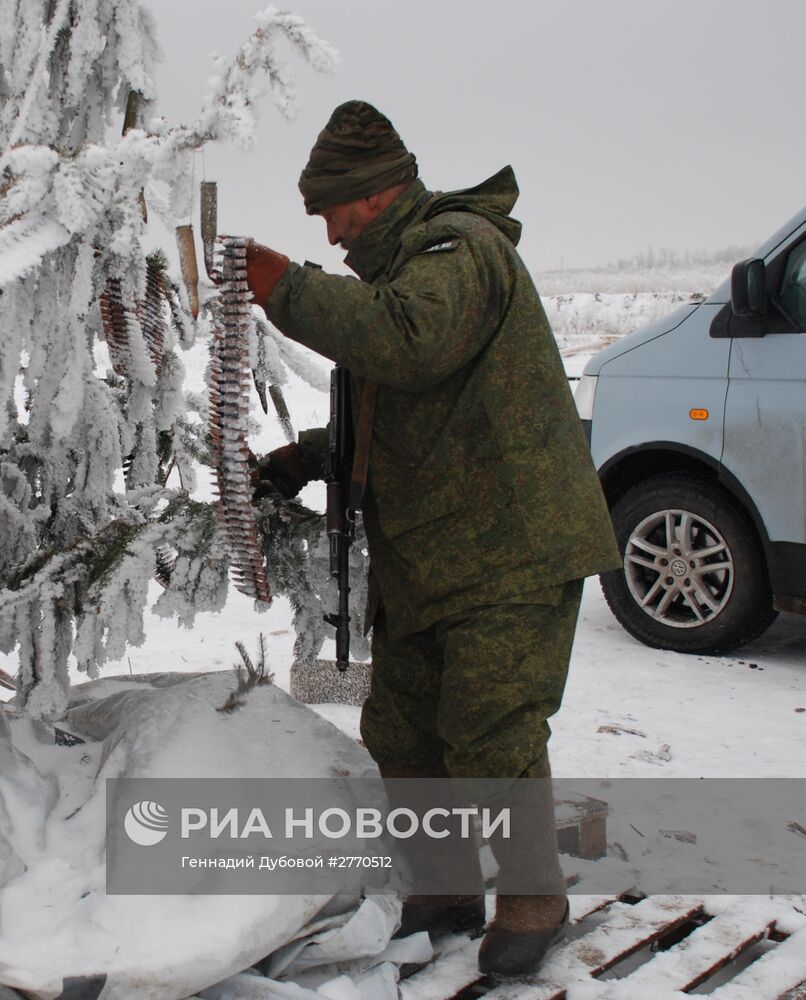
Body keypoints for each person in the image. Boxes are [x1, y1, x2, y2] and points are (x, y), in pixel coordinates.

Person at [246, 100, 620, 978]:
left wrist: (286, 289)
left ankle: (536, 897)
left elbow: (410, 344)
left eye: (332, 212)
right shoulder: (403, 274)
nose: (330, 235)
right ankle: (448, 886)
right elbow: (395, 402)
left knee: (490, 729)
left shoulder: (460, 251)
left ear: (374, 196)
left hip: (510, 546)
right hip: (434, 556)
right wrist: (304, 458)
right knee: (405, 732)